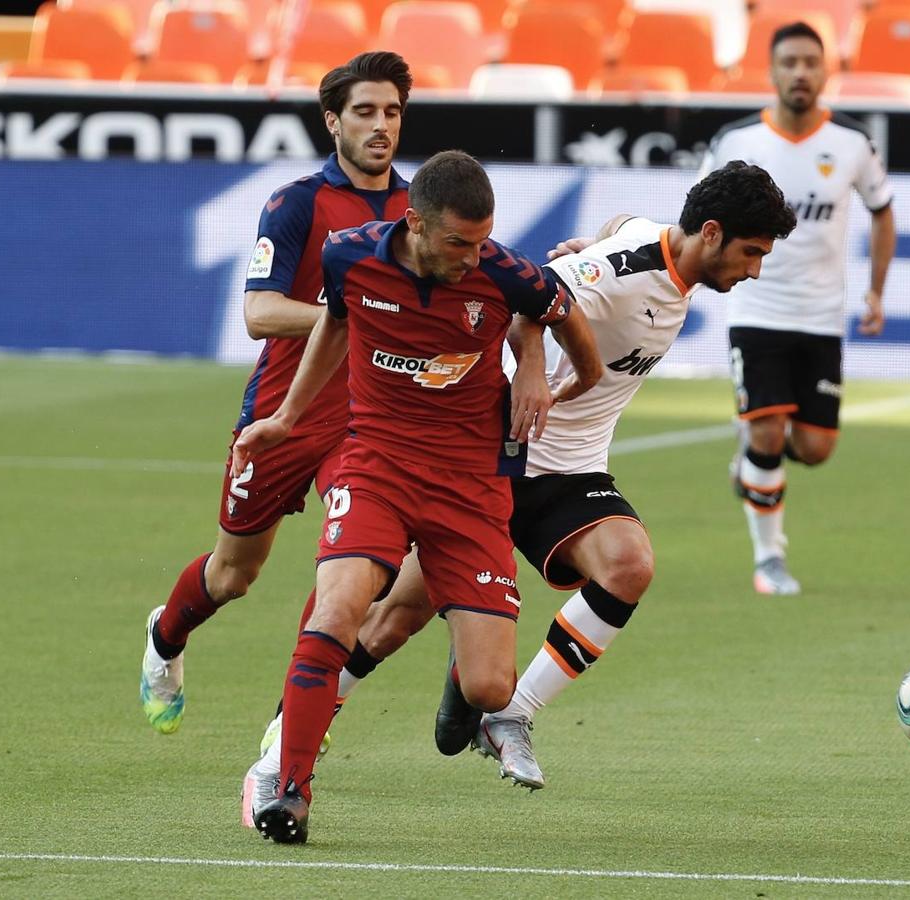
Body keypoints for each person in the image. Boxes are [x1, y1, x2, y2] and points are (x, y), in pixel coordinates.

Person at [257, 161, 797, 792]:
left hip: (568, 467)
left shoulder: (652, 250)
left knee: (628, 565)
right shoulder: (618, 276)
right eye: (752, 252)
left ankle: (510, 714)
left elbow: (622, 227)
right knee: (392, 618)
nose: (755, 269)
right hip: (499, 458)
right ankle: (288, 737)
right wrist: (536, 366)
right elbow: (532, 302)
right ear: (709, 233)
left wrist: (599, 238)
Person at [233, 149, 604, 843]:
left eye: (483, 238)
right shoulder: (349, 257)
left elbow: (565, 321)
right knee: (341, 605)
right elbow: (334, 327)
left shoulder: (503, 271)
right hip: (377, 465)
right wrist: (285, 417)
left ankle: (460, 637)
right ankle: (286, 782)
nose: (473, 255)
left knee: (491, 688)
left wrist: (546, 380)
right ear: (416, 224)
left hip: (471, 485)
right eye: (459, 241)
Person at [137, 52, 415, 735]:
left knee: (354, 571)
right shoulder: (296, 203)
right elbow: (259, 313)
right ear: (332, 122)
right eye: (365, 112)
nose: (381, 126)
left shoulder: (421, 209)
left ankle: (293, 716)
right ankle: (165, 638)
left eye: (393, 112)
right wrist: (354, 311)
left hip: (366, 421)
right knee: (233, 575)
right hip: (280, 416)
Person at [696, 21, 897, 596]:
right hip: (754, 308)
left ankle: (753, 459)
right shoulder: (735, 141)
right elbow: (698, 216)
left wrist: (876, 291)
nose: (801, 72)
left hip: (820, 316)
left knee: (814, 448)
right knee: (766, 433)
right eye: (790, 62)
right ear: (772, 69)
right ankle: (769, 560)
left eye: (812, 62)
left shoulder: (854, 142)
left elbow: (882, 211)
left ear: (827, 69)